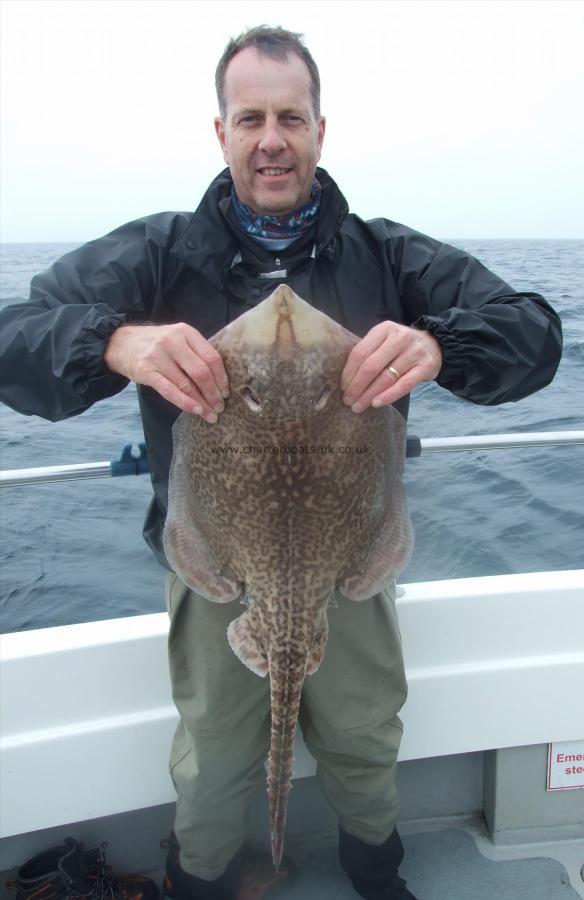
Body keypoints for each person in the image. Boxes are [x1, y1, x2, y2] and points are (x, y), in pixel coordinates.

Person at [0, 25, 562, 900]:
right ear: (220, 131)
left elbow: (536, 332)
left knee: (364, 734)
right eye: (250, 117)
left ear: (320, 131)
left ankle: (376, 871)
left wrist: (440, 344)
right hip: (220, 556)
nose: (271, 138)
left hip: (351, 557)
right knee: (217, 754)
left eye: (290, 118)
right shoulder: (156, 255)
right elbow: (13, 341)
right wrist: (114, 341)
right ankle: (204, 878)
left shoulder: (386, 256)